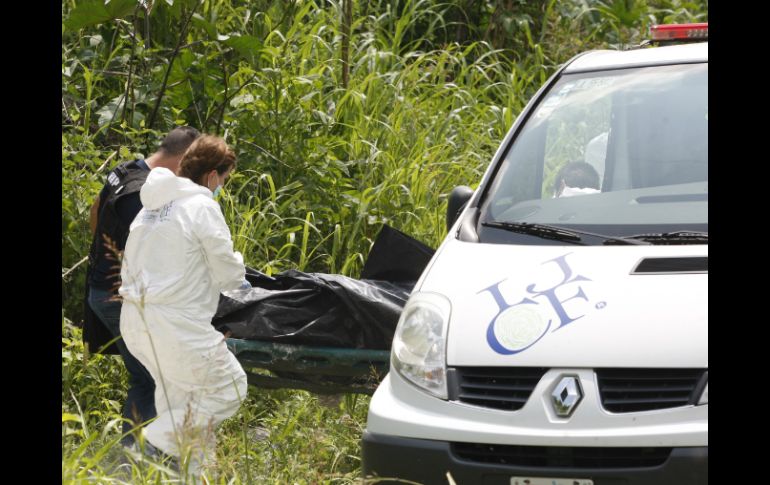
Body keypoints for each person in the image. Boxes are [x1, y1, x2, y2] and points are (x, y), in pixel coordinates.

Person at [118, 135, 248, 477]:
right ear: (212, 175)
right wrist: (239, 270)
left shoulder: (152, 207)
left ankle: (191, 476)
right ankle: (151, 442)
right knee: (230, 387)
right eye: (224, 179)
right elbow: (227, 271)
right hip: (175, 324)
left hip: (136, 320)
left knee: (185, 406)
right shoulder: (201, 206)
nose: (222, 187)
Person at [84, 126, 200, 446]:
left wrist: (105, 254)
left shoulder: (126, 171)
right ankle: (137, 458)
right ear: (183, 159)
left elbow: (96, 210)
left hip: (103, 290)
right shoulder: (142, 194)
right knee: (154, 379)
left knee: (148, 376)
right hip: (120, 299)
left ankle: (137, 455)